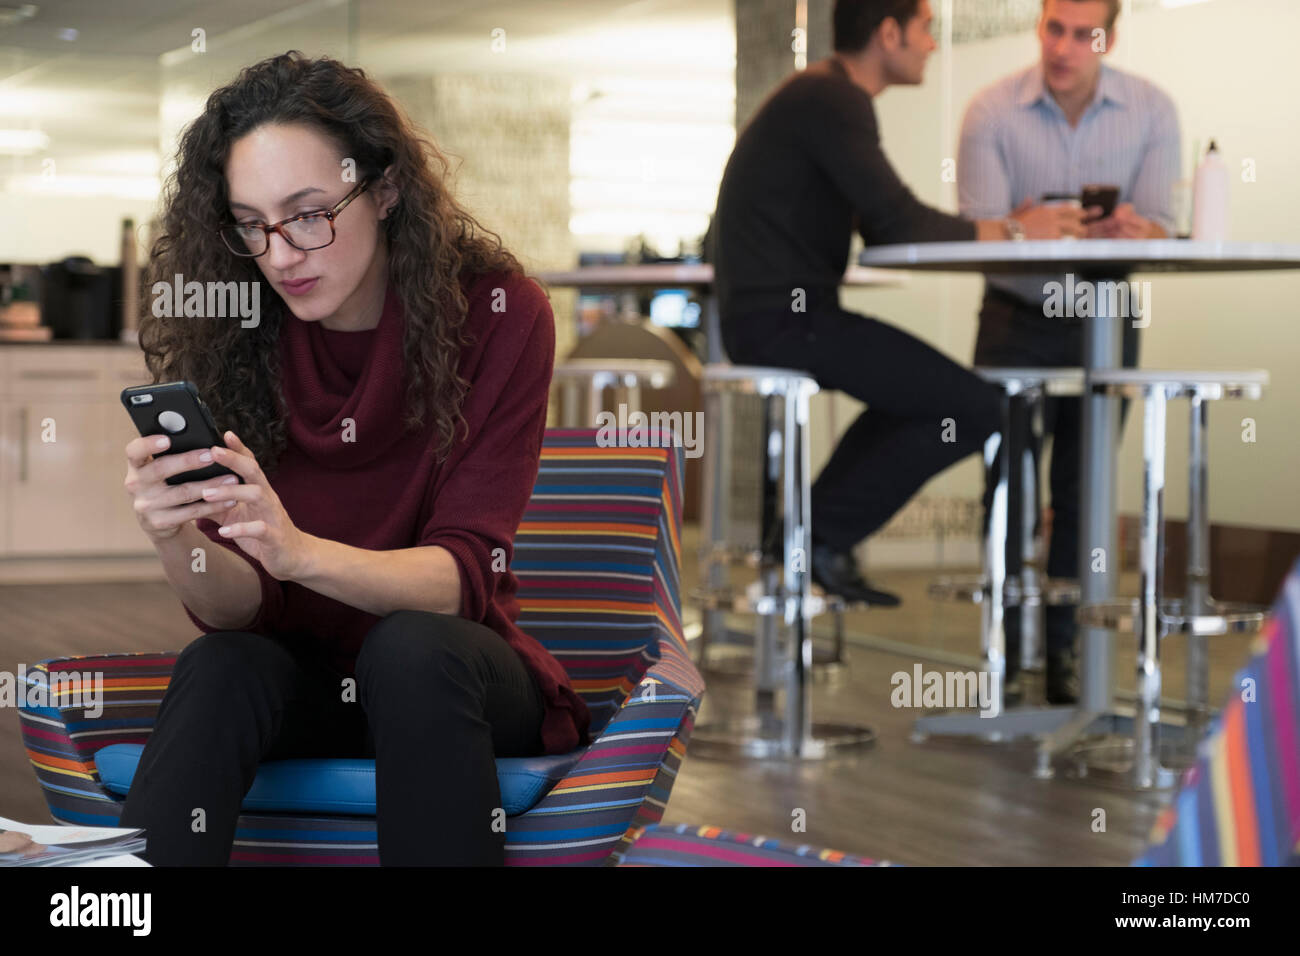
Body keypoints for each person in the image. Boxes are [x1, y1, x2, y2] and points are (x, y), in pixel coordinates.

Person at [118, 51, 589, 866]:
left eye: (308, 214)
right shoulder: (233, 334)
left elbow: (459, 579)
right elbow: (240, 609)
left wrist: (299, 553)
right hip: (305, 682)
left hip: (455, 675)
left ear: (384, 186)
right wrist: (177, 540)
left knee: (409, 647)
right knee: (221, 663)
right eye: (252, 224)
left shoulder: (501, 315)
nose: (282, 255)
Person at [710, 0, 1087, 607]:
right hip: (784, 321)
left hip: (780, 316)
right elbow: (898, 223)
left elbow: (888, 220)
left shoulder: (821, 97)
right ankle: (813, 540)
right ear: (889, 34)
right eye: (926, 29)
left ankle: (809, 538)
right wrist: (1020, 229)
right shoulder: (833, 100)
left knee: (922, 396)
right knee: (976, 408)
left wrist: (1003, 226)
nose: (933, 45)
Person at [957, 0, 1180, 702]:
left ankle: (1065, 659)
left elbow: (1164, 230)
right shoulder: (991, 111)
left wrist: (1136, 231)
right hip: (1014, 314)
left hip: (1104, 315)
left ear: (1109, 36)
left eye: (1083, 34)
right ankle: (1002, 656)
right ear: (1040, 26)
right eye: (1054, 28)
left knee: (1084, 494)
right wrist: (1027, 230)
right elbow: (977, 238)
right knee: (1009, 488)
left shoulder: (1152, 110)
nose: (1064, 48)